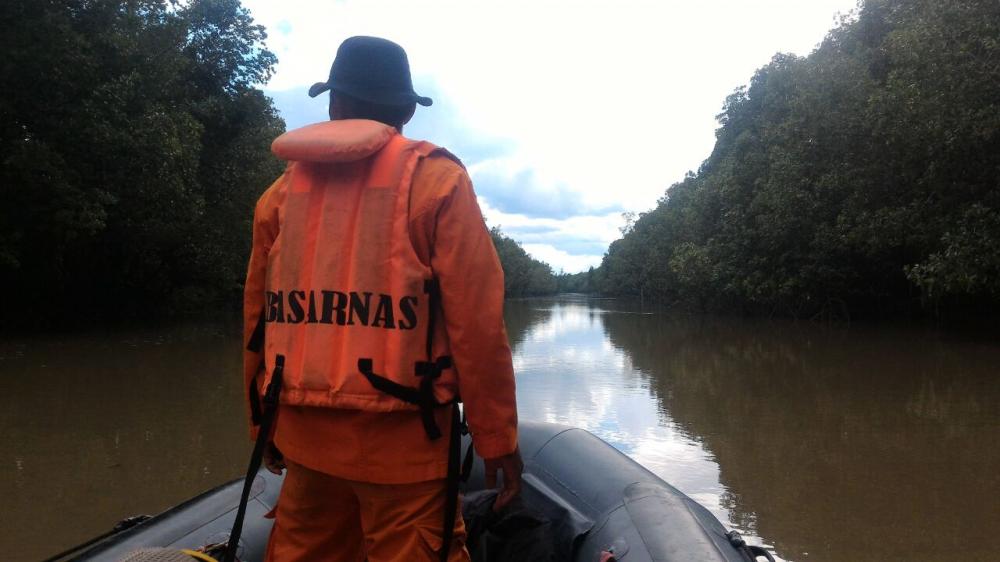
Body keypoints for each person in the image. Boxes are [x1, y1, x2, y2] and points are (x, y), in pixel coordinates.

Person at [242, 36, 522, 562]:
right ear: (403, 113)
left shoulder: (280, 196)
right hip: (405, 452)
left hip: (304, 440)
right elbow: (477, 327)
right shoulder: (437, 182)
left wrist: (264, 425)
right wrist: (496, 438)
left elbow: (258, 321)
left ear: (334, 104)